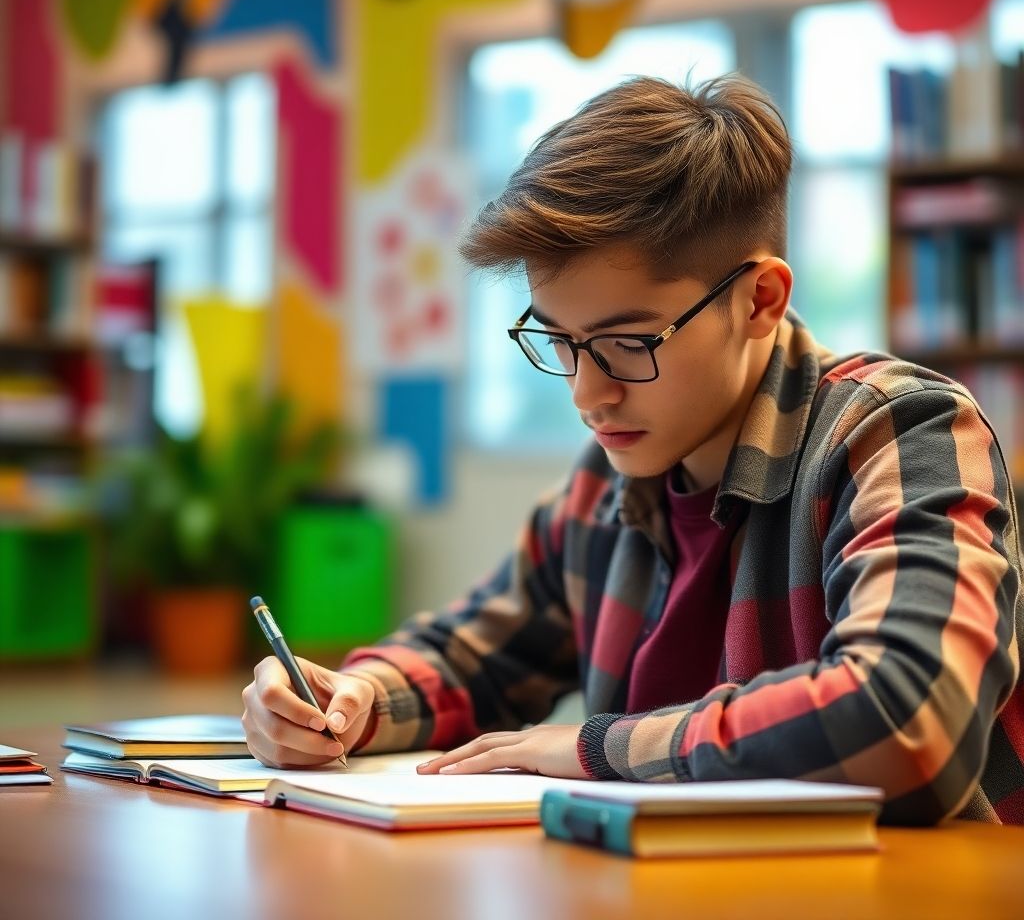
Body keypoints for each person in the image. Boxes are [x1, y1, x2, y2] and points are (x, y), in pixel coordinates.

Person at [242, 74, 1024, 825]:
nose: (587, 395)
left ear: (761, 300)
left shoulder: (900, 432)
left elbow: (907, 714)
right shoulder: (606, 484)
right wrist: (350, 701)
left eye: (626, 342)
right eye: (558, 340)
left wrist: (596, 749)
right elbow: (473, 655)